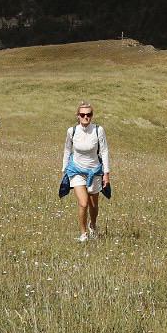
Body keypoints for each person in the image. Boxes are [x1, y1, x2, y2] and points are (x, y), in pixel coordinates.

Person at [60, 102, 111, 242]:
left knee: (94, 206)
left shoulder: (98, 130)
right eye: (82, 115)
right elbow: (67, 150)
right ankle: (83, 234)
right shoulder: (72, 131)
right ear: (78, 116)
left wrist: (106, 173)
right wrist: (64, 169)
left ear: (92, 116)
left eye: (88, 115)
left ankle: (92, 225)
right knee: (83, 203)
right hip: (76, 171)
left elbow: (105, 151)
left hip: (94, 171)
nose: (86, 117)